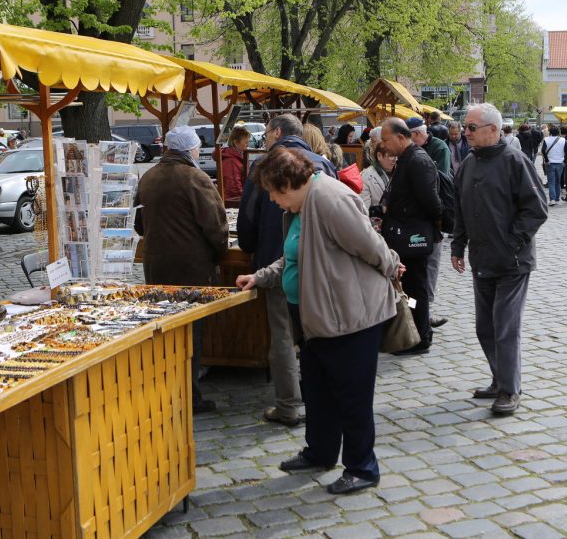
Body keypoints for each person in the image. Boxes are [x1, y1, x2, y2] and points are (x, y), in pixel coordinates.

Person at [236, 147, 403, 495]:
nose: (271, 199)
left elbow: (369, 245)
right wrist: (262, 276)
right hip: (317, 317)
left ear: (288, 183)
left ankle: (362, 467)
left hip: (348, 317)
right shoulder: (302, 205)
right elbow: (294, 255)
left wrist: (392, 265)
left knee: (352, 397)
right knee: (318, 391)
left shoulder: (328, 199)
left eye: (272, 191)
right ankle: (321, 452)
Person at [238, 114, 336, 428]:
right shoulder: (321, 163)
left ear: (277, 132)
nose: (264, 139)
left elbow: (248, 219)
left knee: (281, 335)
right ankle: (319, 398)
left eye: (266, 133)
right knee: (316, 334)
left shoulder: (265, 166)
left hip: (275, 258)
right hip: (318, 266)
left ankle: (288, 405)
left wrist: (250, 247)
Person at [450, 103, 548, 416]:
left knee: (505, 326)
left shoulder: (514, 161)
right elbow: (461, 209)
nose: (466, 133)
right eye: (465, 127)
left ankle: (509, 390)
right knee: (485, 327)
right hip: (482, 260)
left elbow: (537, 208)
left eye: (471, 127)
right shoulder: (467, 164)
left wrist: (511, 242)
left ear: (493, 130)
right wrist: (457, 246)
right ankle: (499, 377)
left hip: (512, 262)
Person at [135, 126, 228, 413]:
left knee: (165, 330)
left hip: (156, 265)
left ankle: (165, 388)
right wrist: (218, 256)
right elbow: (216, 225)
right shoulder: (195, 178)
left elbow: (139, 224)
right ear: (190, 150)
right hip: (190, 268)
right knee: (191, 332)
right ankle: (190, 395)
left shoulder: (148, 177)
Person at [379, 117, 443, 354]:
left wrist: (425, 223)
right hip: (405, 236)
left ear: (400, 137)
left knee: (417, 290)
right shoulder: (407, 159)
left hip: (414, 238)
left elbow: (432, 203)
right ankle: (415, 331)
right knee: (411, 291)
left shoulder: (417, 160)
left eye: (386, 140)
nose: (384, 145)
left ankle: (422, 336)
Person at [408, 116, 450, 328]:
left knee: (429, 268)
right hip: (413, 225)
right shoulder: (410, 153)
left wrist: (439, 216)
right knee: (415, 273)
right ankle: (416, 313)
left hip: (430, 222)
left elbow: (437, 183)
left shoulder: (437, 148)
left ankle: (424, 312)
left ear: (416, 134)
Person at [359, 140, 395, 210]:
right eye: (391, 156)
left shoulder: (397, 172)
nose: (395, 159)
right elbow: (364, 209)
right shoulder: (366, 176)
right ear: (379, 156)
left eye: (397, 156)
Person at [221, 126, 251, 202]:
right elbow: (233, 187)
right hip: (233, 202)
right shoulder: (231, 160)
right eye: (246, 142)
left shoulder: (236, 157)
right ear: (236, 142)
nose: (247, 145)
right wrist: (246, 199)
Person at [540, 126, 566, 206]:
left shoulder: (546, 140)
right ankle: (557, 198)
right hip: (560, 163)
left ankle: (552, 199)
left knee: (551, 182)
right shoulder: (563, 140)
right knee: (558, 182)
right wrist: (564, 161)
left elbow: (543, 150)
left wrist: (547, 160)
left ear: (550, 132)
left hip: (550, 163)